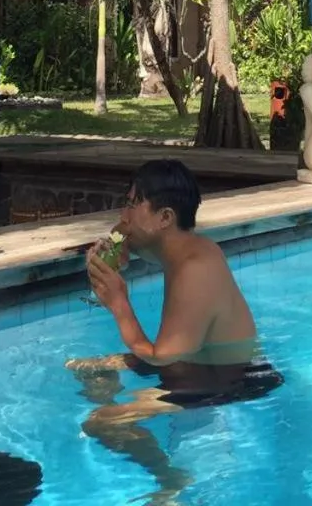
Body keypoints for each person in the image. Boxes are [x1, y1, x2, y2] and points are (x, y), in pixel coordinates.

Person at [68, 159, 282, 499]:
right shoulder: (184, 248)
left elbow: (159, 356)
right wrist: (121, 251)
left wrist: (119, 303)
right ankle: (122, 407)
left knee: (101, 422)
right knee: (88, 367)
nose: (123, 214)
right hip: (196, 364)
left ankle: (170, 478)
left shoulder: (194, 270)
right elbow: (143, 243)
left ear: (165, 217)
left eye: (133, 203)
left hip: (226, 379)